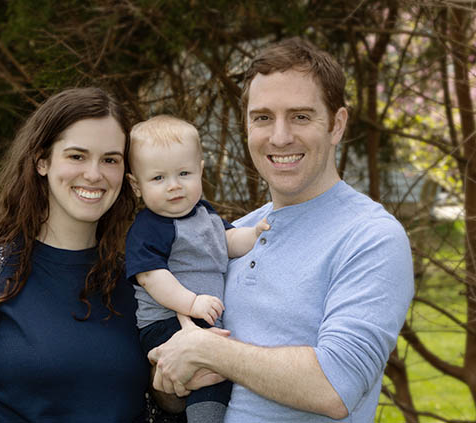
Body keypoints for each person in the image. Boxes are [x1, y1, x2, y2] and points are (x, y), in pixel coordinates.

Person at [147, 37, 415, 422]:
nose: (280, 136)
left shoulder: (371, 237)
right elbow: (174, 390)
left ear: (337, 124)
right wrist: (171, 376)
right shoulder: (232, 236)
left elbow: (335, 386)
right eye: (263, 117)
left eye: (301, 116)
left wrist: (207, 350)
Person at [0, 87, 181, 422]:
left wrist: (170, 397)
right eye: (77, 156)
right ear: (42, 160)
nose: (94, 174)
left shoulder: (143, 282)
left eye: (110, 160)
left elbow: (162, 410)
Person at [125, 115, 269, 423]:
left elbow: (229, 240)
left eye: (184, 173)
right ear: (136, 185)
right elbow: (151, 277)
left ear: (200, 171)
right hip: (165, 322)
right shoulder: (149, 227)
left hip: (199, 316)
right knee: (211, 366)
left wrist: (256, 235)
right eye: (158, 178)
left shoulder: (205, 213)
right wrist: (191, 303)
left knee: (217, 366)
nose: (174, 186)